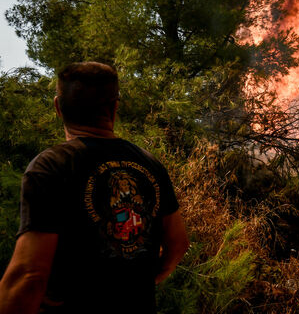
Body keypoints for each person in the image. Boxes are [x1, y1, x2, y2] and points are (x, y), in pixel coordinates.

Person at [0, 62, 189, 314]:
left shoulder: (51, 166)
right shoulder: (150, 163)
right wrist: (142, 283)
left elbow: (30, 276)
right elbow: (178, 244)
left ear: (58, 106)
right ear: (114, 107)